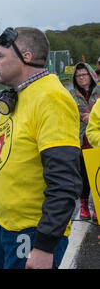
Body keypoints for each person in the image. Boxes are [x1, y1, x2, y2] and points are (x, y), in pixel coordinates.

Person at [0, 27, 82, 269]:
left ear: (25, 57)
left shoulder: (51, 98)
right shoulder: (17, 95)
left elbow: (65, 182)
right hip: (6, 226)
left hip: (33, 231)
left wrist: (45, 246)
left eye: (0, 56)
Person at [69, 62, 100, 221]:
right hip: (80, 140)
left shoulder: (99, 91)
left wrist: (92, 117)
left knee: (97, 174)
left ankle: (97, 206)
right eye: (78, 75)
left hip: (97, 140)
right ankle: (83, 205)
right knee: (83, 176)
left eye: (84, 74)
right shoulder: (70, 94)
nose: (81, 78)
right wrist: (84, 116)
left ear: (90, 75)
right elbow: (68, 113)